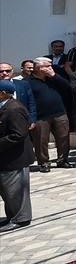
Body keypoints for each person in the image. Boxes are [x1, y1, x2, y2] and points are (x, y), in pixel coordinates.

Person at [0, 81, 35, 233]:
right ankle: (12, 216)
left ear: (2, 93)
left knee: (16, 191)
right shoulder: (5, 107)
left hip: (15, 158)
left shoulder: (14, 109)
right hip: (6, 158)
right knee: (8, 191)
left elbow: (19, 134)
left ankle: (21, 219)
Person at [28, 57, 74, 171]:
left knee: (63, 138)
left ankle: (62, 160)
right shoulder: (28, 82)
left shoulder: (54, 78)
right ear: (38, 68)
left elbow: (68, 86)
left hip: (59, 113)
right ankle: (44, 162)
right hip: (41, 116)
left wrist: (54, 76)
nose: (50, 68)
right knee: (41, 140)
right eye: (47, 66)